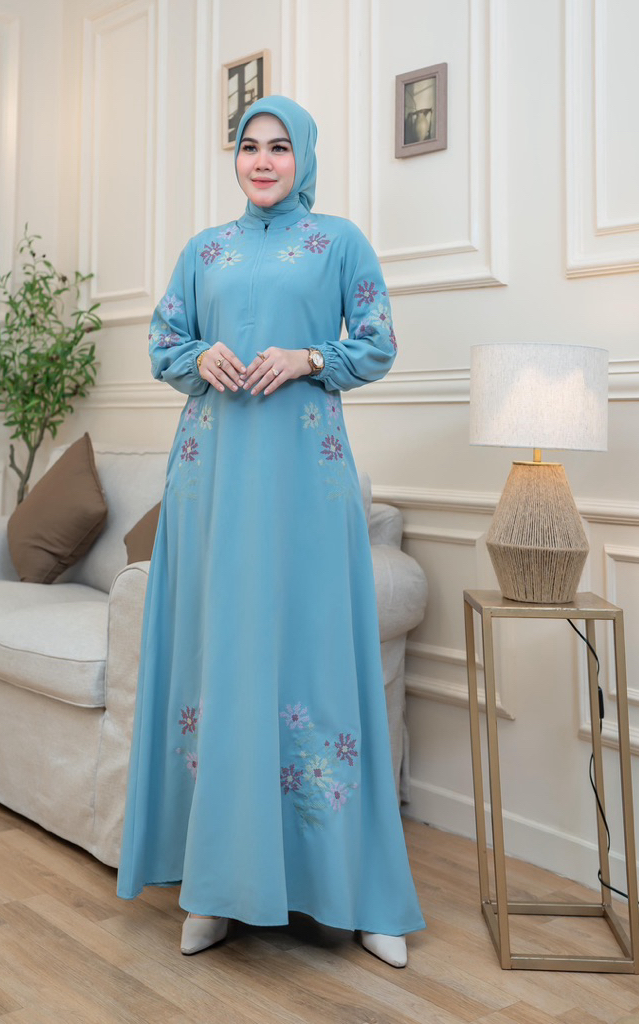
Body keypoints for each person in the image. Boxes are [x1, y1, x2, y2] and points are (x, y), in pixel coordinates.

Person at [116, 95, 425, 968]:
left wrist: (308, 357)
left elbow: (377, 341)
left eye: (279, 147)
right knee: (218, 661)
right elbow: (164, 340)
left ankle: (358, 891)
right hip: (211, 477)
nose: (261, 160)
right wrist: (198, 356)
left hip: (303, 479)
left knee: (317, 662)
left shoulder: (339, 243)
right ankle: (213, 887)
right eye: (249, 146)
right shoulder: (204, 251)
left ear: (303, 157)